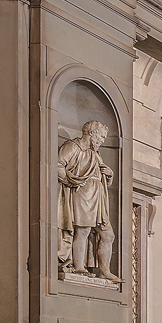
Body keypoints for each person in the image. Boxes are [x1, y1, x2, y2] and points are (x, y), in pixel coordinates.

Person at [58, 119, 114, 279]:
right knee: (83, 231)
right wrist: (70, 181)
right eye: (101, 137)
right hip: (82, 195)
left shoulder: (95, 153)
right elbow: (58, 164)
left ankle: (105, 272)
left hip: (98, 198)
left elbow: (101, 178)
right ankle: (80, 267)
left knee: (108, 235)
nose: (103, 141)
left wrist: (109, 175)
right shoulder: (73, 147)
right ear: (92, 133)